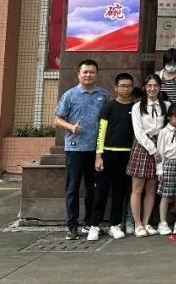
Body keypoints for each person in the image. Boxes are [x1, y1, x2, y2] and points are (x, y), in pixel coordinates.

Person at [54, 59, 110, 240]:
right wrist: (71, 127)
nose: (88, 75)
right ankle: (72, 226)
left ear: (97, 74)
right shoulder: (69, 95)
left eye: (92, 72)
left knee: (92, 188)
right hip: (75, 149)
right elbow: (57, 120)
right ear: (78, 74)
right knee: (73, 188)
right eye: (85, 72)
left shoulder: (103, 95)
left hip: (96, 150)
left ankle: (89, 223)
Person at [91, 72, 134, 241]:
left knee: (119, 191)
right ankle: (94, 225)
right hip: (107, 154)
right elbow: (101, 132)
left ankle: (114, 224)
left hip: (126, 155)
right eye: (122, 86)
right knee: (101, 191)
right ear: (115, 88)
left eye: (129, 86)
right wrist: (98, 156)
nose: (126, 89)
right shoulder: (108, 107)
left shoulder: (135, 108)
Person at [127, 74, 166, 237]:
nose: (152, 88)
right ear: (144, 87)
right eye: (149, 85)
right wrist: (152, 150)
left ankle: (146, 221)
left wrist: (159, 150)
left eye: (155, 85)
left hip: (160, 144)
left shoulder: (166, 105)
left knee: (151, 188)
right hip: (143, 146)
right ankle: (137, 223)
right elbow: (138, 132)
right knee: (137, 188)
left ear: (160, 87)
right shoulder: (137, 107)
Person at [155, 102, 176, 236]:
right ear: (169, 117)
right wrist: (159, 170)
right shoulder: (163, 132)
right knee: (166, 194)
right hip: (168, 163)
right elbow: (160, 151)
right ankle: (162, 222)